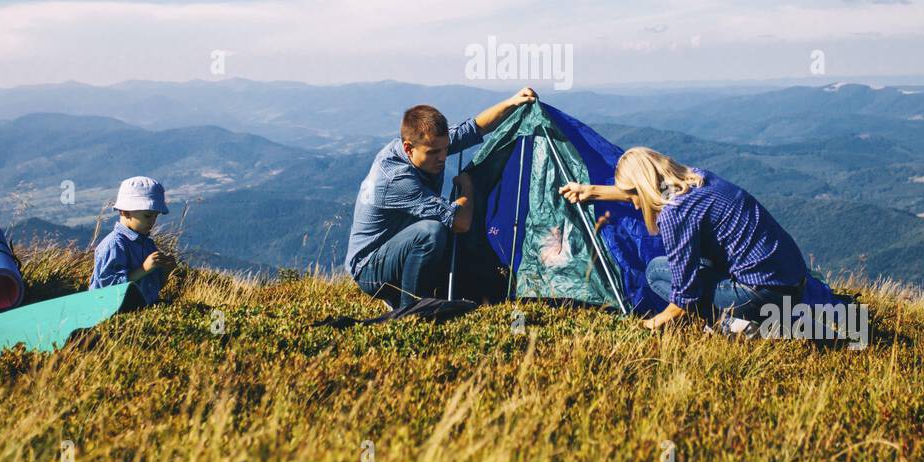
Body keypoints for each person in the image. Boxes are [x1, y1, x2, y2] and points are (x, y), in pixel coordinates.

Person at [559, 147, 808, 331]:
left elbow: (684, 298)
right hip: (791, 279)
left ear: (642, 187)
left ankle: (736, 328)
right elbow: (645, 191)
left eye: (632, 195)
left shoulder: (674, 214)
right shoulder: (693, 179)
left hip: (765, 292)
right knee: (670, 266)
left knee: (657, 272)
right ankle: (754, 318)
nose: (635, 205)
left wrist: (647, 327)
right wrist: (592, 191)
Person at [345, 87, 538, 308]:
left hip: (399, 249)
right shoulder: (396, 179)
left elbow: (473, 128)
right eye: (434, 153)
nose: (442, 158)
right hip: (370, 269)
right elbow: (460, 222)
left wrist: (512, 102)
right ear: (408, 148)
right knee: (431, 232)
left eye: (445, 149)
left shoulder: (428, 144)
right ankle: (411, 309)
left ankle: (426, 295)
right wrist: (467, 189)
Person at [89, 176, 178, 306]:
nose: (152, 221)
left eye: (155, 216)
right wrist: (144, 269)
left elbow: (152, 287)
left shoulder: (147, 244)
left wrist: (166, 271)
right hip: (110, 312)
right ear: (125, 212)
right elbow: (107, 289)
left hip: (143, 309)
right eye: (147, 216)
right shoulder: (114, 245)